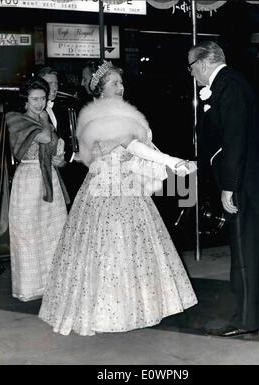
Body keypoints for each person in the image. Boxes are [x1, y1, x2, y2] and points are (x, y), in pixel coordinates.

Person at [38, 61, 198, 336]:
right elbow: (130, 145)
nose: (121, 87)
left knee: (129, 247)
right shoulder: (104, 115)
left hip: (123, 184)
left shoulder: (112, 113)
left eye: (121, 83)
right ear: (100, 89)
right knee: (109, 246)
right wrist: (172, 162)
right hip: (107, 187)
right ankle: (108, 312)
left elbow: (131, 147)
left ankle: (131, 308)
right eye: (114, 83)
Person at [188, 41, 259, 336]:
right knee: (256, 252)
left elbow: (234, 138)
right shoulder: (233, 82)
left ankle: (246, 321)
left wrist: (229, 186)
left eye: (191, 68)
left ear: (203, 63)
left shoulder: (227, 85)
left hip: (243, 185)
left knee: (244, 252)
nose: (192, 75)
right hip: (252, 181)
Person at [5, 77, 69, 302]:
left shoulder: (45, 120)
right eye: (34, 99)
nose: (40, 103)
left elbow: (56, 148)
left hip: (49, 177)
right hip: (29, 180)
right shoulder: (15, 119)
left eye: (42, 98)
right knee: (29, 234)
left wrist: (59, 160)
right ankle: (31, 287)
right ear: (25, 99)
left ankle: (53, 284)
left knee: (54, 231)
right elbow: (43, 137)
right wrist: (43, 118)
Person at [38, 66, 87, 204]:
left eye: (56, 84)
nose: (54, 88)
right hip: (39, 175)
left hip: (61, 173)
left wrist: (67, 158)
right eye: (49, 84)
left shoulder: (60, 109)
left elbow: (63, 140)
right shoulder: (32, 112)